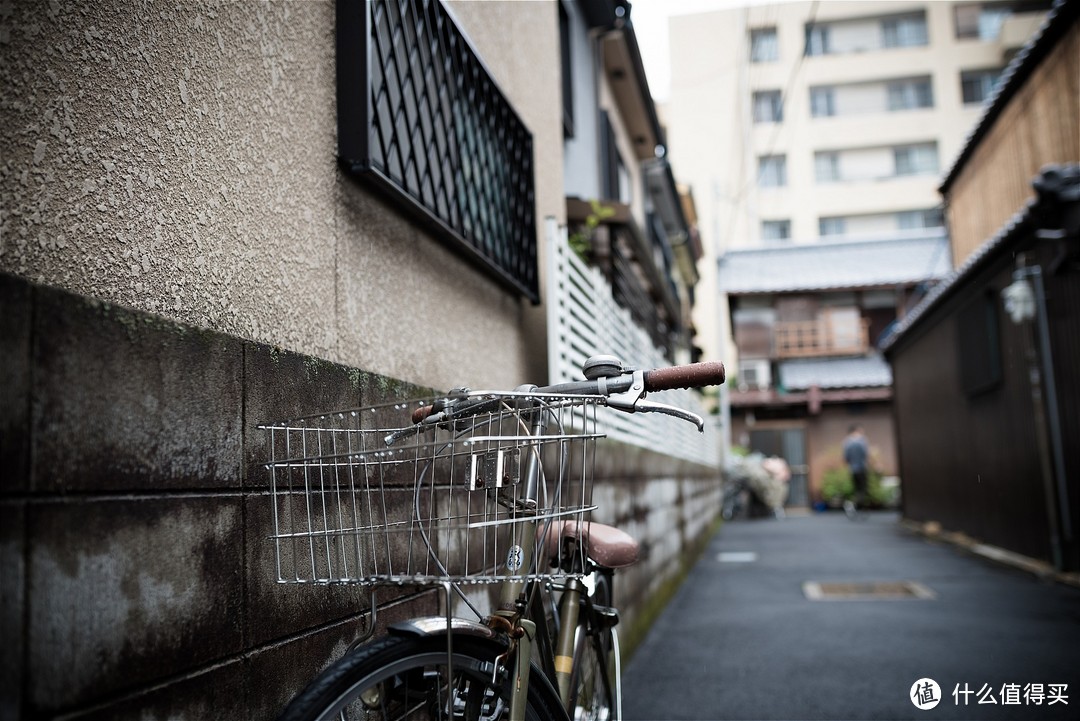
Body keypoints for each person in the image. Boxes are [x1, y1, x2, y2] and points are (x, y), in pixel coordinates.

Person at [842, 425, 869, 519]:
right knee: (862, 490)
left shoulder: (847, 442)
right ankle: (854, 506)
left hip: (852, 469)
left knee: (856, 489)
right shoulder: (862, 441)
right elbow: (865, 454)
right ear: (856, 431)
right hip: (861, 468)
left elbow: (846, 458)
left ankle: (854, 507)